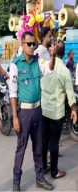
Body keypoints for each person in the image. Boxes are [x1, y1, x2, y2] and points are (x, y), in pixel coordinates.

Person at [9, 31, 55, 191]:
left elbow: (49, 69)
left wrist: (53, 56)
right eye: (28, 44)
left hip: (38, 111)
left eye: (33, 44)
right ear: (22, 44)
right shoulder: (16, 64)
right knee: (21, 148)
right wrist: (15, 117)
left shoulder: (38, 61)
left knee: (38, 147)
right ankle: (16, 183)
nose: (31, 47)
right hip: (24, 113)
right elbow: (13, 93)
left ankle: (40, 179)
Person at [41, 39, 77, 179]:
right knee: (54, 142)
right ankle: (54, 171)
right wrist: (74, 109)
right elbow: (70, 93)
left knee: (44, 140)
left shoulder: (44, 66)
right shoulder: (64, 71)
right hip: (56, 112)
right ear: (64, 53)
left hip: (43, 110)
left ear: (53, 51)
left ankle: (43, 166)